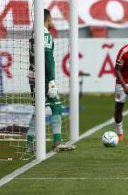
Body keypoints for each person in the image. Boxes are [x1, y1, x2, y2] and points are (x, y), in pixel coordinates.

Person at [26, 9, 74, 152]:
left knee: (40, 109)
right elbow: (47, 59)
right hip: (44, 77)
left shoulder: (34, 34)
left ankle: (29, 144)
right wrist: (51, 81)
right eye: (51, 19)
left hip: (33, 74)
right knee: (57, 107)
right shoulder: (45, 35)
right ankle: (57, 142)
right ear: (48, 19)